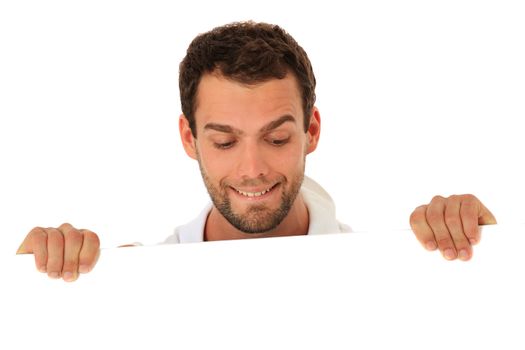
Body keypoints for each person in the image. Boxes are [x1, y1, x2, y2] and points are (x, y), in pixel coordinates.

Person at [16, 21, 497, 282]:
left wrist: (483, 251)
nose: (252, 170)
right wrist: (30, 287)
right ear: (190, 139)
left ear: (311, 130)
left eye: (277, 138)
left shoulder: (396, 273)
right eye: (225, 141)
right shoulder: (133, 281)